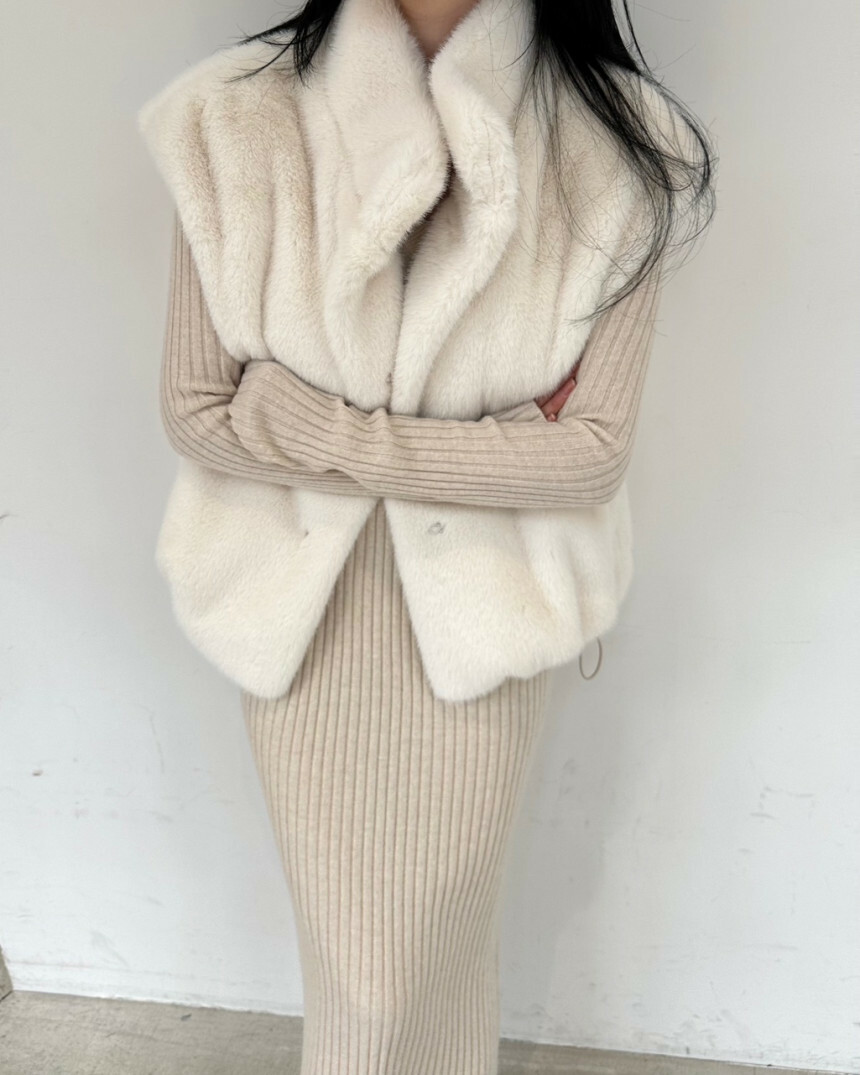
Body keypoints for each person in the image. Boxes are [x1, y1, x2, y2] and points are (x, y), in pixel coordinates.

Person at [139, 0, 716, 1070]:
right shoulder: (233, 119)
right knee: (357, 964)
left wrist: (317, 426)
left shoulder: (622, 144)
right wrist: (495, 441)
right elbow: (197, 409)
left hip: (482, 616)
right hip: (298, 616)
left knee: (436, 941)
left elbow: (589, 453)